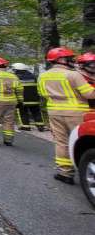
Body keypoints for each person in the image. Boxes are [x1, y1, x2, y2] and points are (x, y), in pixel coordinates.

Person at [38, 47, 95, 184]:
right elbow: (89, 94)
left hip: (54, 112)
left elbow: (42, 94)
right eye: (69, 58)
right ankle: (85, 168)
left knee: (61, 142)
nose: (72, 60)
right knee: (80, 142)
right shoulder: (73, 75)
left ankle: (65, 173)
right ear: (60, 60)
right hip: (77, 112)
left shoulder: (43, 76)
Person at [11, 63, 46, 131]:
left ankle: (25, 126)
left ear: (17, 70)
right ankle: (40, 125)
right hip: (34, 99)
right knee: (36, 112)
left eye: (14, 70)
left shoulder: (15, 77)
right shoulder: (33, 76)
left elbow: (15, 88)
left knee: (23, 112)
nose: (13, 71)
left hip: (23, 99)